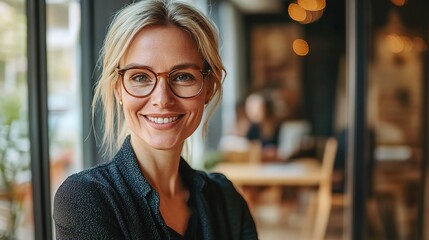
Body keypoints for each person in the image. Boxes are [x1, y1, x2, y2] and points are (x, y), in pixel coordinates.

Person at [53, 1, 258, 239]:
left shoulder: (226, 199)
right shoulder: (86, 197)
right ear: (118, 88)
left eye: (182, 76)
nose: (162, 99)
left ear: (209, 88)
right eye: (140, 77)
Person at [244, 91, 281, 162]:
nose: (252, 112)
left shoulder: (278, 127)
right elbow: (249, 150)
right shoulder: (253, 128)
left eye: (256, 108)